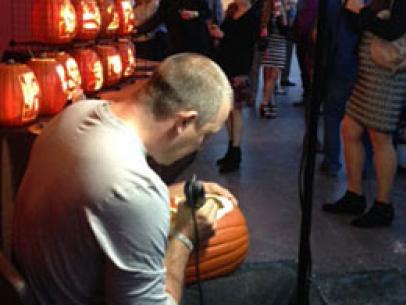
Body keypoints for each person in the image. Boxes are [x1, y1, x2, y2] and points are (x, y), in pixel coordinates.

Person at [12, 53, 236, 305]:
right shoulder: (133, 190)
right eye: (204, 135)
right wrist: (183, 238)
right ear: (184, 121)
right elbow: (126, 194)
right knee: (282, 278)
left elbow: (101, 199)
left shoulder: (74, 113)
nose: (200, 146)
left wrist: (168, 192)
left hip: (44, 288)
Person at [322, 0, 406, 227]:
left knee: (381, 136)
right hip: (369, 69)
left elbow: (392, 30)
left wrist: (361, 12)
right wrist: (352, 9)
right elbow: (360, 26)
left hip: (389, 74)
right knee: (349, 128)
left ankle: (383, 205)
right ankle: (354, 194)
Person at [208, 0, 259, 173]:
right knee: (228, 111)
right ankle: (231, 149)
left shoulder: (252, 16)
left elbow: (247, 44)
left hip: (239, 66)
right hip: (226, 64)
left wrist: (223, 36)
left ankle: (235, 151)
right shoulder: (232, 11)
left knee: (235, 110)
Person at [138, 0, 214, 57]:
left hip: (197, 41)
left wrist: (194, 14)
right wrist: (138, 30)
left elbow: (207, 13)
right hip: (177, 42)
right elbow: (158, 17)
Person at [258, 0, 289, 118]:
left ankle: (268, 101)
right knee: (273, 76)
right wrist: (282, 14)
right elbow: (285, 28)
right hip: (277, 44)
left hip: (269, 45)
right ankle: (265, 103)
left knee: (268, 76)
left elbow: (263, 28)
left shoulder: (266, 9)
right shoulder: (276, 9)